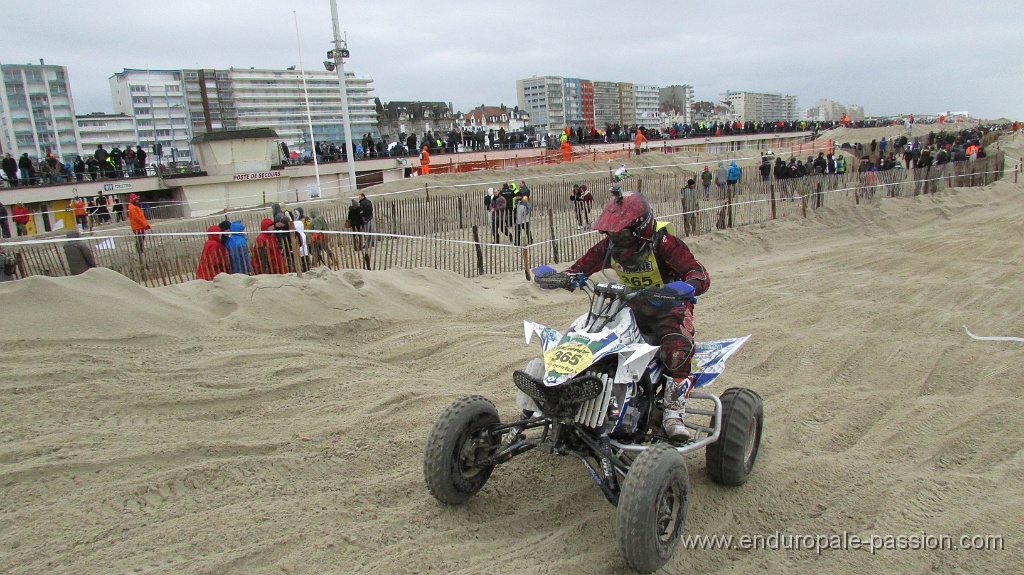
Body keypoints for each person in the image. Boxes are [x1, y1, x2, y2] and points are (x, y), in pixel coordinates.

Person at [563, 188, 710, 440]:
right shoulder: (611, 246)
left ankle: (674, 412)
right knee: (588, 335)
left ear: (641, 227)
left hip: (668, 305)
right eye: (612, 231)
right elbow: (581, 267)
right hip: (628, 304)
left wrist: (687, 286)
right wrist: (565, 277)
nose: (616, 237)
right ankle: (576, 396)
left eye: (622, 232)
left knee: (676, 346)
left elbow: (698, 273)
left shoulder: (665, 244)